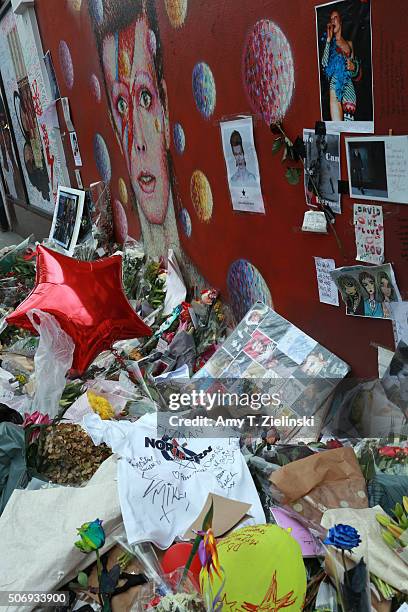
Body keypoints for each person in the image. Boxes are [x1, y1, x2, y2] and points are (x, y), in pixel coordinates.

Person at [89, 0, 203, 287]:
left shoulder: (202, 284)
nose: (138, 139)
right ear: (115, 128)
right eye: (122, 105)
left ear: (164, 111)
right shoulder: (133, 267)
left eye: (145, 97)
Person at [321, 8, 361, 122]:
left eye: (335, 18)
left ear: (341, 21)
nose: (333, 21)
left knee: (349, 127)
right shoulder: (330, 43)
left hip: (349, 89)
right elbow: (324, 64)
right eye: (331, 19)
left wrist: (354, 67)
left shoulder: (349, 44)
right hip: (335, 86)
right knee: (338, 125)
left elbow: (356, 73)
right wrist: (328, 41)